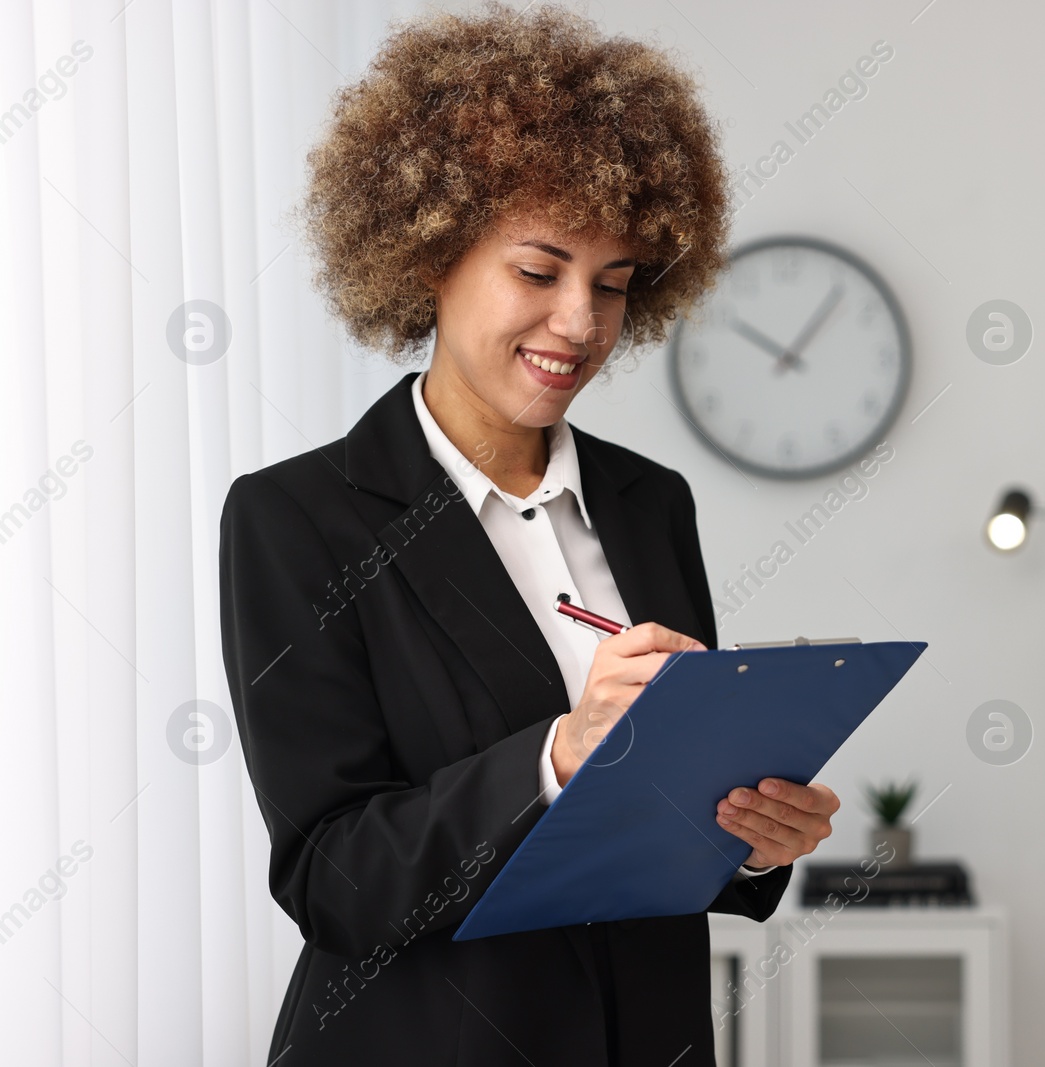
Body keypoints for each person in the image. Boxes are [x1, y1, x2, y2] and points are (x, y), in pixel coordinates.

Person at [217, 6, 838, 1063]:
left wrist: (745, 837)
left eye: (613, 283)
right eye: (538, 271)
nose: (580, 324)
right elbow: (335, 873)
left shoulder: (651, 502)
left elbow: (663, 819)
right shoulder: (297, 519)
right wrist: (557, 754)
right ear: (428, 255)